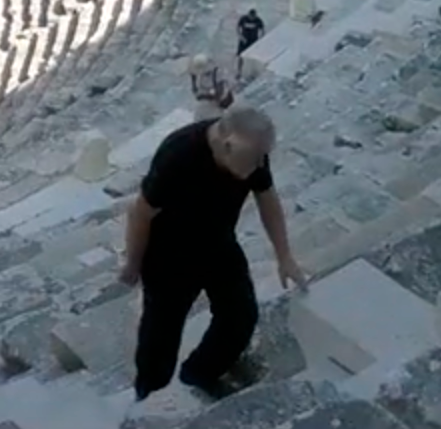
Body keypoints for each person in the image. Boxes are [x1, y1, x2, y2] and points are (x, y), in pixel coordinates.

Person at [119, 105, 306, 403]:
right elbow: (141, 212)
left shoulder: (252, 152)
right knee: (161, 333)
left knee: (241, 316)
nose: (259, 165)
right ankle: (149, 397)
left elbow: (266, 197)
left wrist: (284, 256)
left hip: (218, 242)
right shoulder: (179, 154)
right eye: (253, 160)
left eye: (261, 158)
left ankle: (200, 374)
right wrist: (133, 263)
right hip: (169, 254)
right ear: (227, 146)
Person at [188, 54, 233, 121]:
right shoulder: (200, 76)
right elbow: (196, 92)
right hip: (204, 108)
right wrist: (193, 79)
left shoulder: (217, 73)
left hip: (217, 106)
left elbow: (219, 93)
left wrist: (205, 96)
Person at [236, 9, 265, 80]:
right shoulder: (243, 19)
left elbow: (263, 30)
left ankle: (253, 72)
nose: (252, 18)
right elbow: (237, 27)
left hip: (253, 41)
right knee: (241, 56)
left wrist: (261, 39)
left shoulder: (258, 20)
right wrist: (240, 36)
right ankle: (239, 72)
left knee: (253, 57)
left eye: (253, 17)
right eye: (251, 17)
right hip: (244, 41)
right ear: (248, 15)